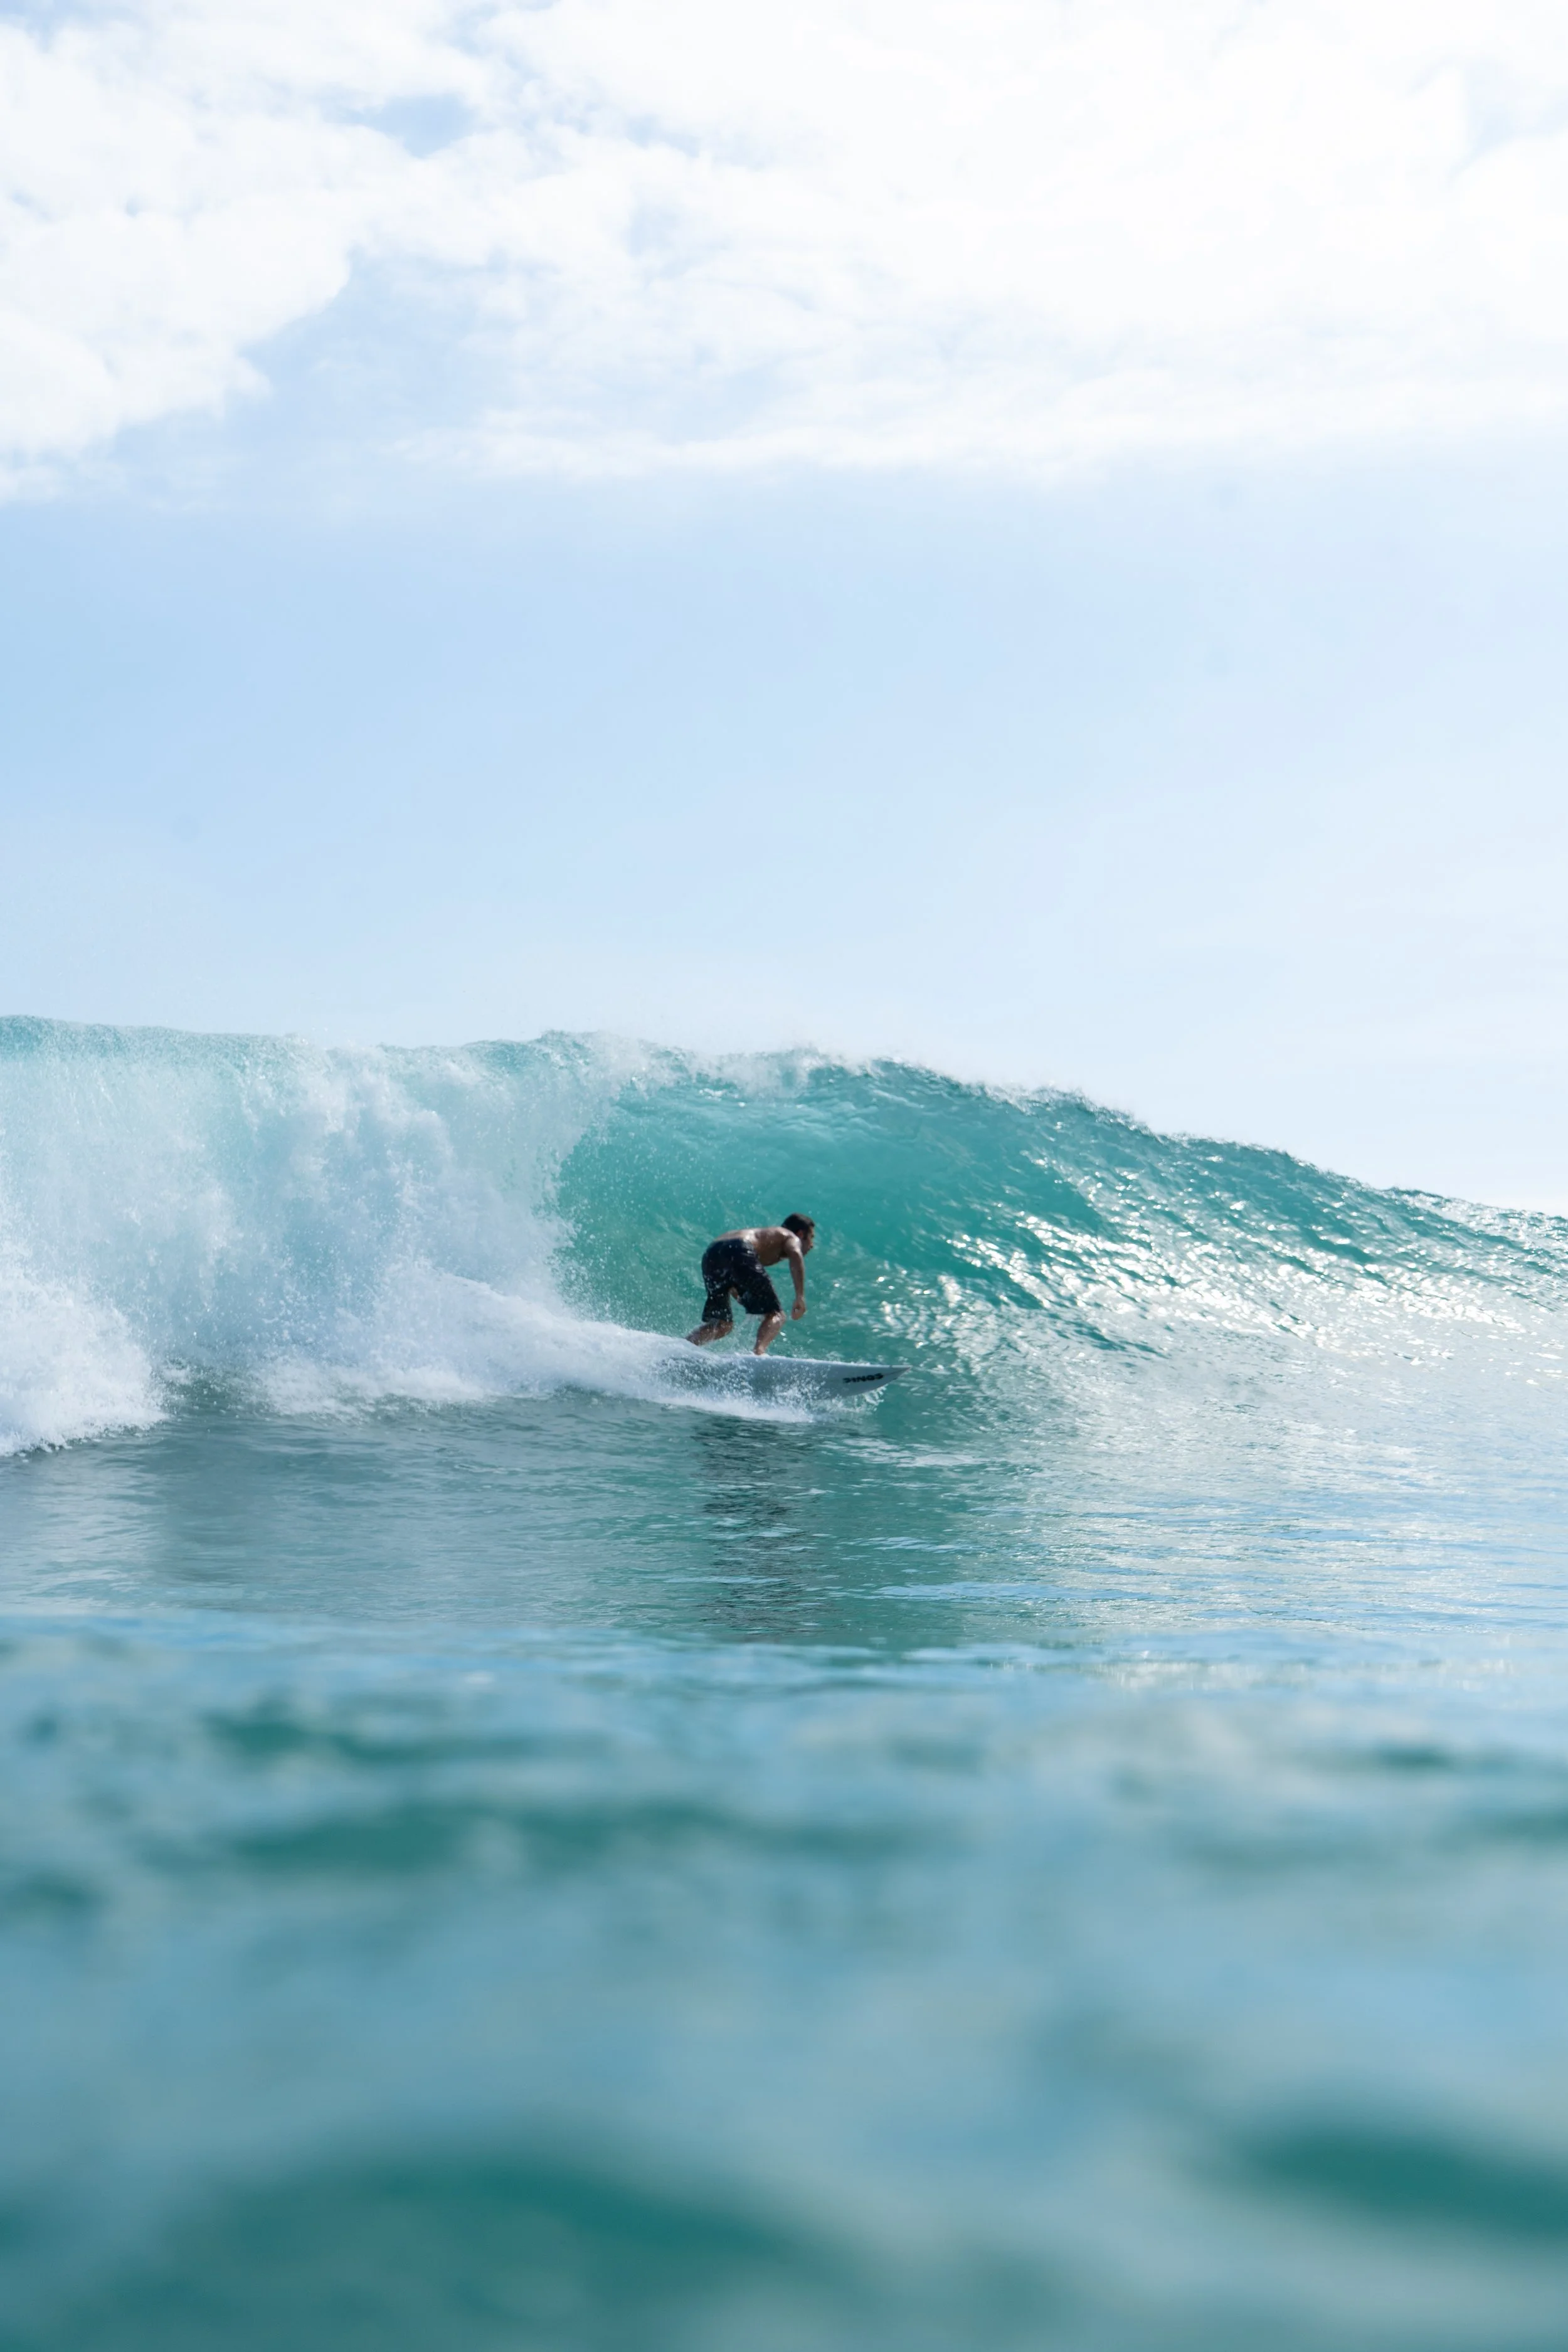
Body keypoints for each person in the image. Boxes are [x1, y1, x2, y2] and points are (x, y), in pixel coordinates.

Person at [688, 1215, 815, 1355]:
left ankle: (683, 1346)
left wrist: (739, 1292)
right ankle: (758, 1354)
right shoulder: (790, 1236)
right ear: (801, 1234)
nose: (812, 1245)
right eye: (811, 1237)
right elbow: (796, 1255)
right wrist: (800, 1296)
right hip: (739, 1247)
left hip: (712, 1253)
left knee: (722, 1325)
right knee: (777, 1315)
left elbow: (733, 1267)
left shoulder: (768, 1238)